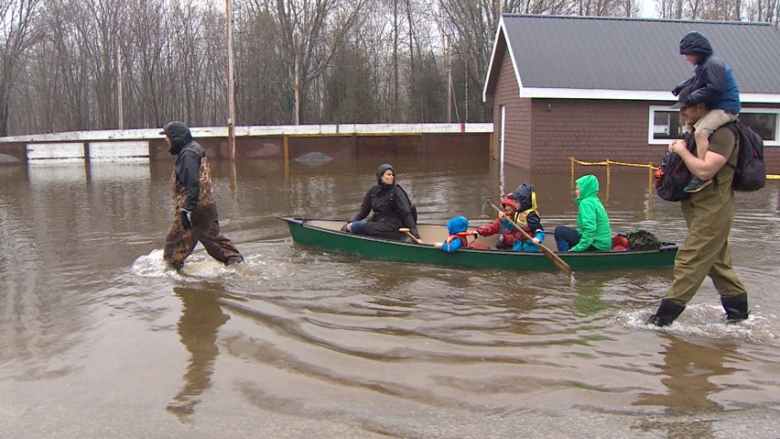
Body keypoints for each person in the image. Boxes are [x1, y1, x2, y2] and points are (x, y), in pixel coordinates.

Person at [647, 96, 749, 327]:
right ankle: (739, 317)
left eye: (686, 108)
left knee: (690, 258)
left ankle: (662, 319)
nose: (681, 113)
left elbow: (704, 172)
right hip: (696, 204)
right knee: (717, 262)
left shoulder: (723, 134)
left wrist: (682, 151)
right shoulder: (695, 132)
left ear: (701, 107)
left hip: (714, 205)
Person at [161, 121, 244, 270]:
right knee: (213, 240)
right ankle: (236, 264)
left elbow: (193, 183)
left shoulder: (188, 154)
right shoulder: (194, 149)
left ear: (176, 137)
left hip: (193, 208)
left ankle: (174, 278)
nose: (166, 140)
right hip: (206, 205)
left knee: (173, 247)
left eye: (167, 137)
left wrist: (187, 210)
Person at [671, 31, 741, 193]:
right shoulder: (704, 66)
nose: (686, 59)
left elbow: (715, 88)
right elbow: (696, 80)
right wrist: (682, 87)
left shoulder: (713, 64)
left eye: (688, 55)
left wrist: (691, 98)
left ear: (698, 52)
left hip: (726, 108)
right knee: (694, 129)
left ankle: (703, 176)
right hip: (717, 107)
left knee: (701, 132)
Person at [344, 163, 419, 240]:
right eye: (388, 174)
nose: (392, 177)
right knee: (353, 225)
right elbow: (363, 212)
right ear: (380, 176)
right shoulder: (373, 191)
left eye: (392, 175)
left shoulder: (397, 191)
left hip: (394, 227)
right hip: (378, 223)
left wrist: (415, 233)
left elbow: (406, 213)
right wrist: (350, 223)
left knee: (357, 226)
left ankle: (402, 238)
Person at [554, 174, 612, 252]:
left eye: (578, 189)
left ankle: (565, 256)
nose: (576, 192)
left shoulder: (586, 203)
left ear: (585, 189)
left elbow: (590, 229)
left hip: (596, 245)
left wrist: (578, 248)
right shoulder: (594, 200)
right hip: (603, 244)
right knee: (573, 232)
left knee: (560, 231)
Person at [509, 184, 545, 252]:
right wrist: (503, 220)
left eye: (516, 202)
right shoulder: (517, 213)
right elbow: (512, 227)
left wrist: (538, 238)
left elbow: (539, 230)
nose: (514, 203)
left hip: (529, 246)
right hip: (518, 244)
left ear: (524, 202)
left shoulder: (531, 215)